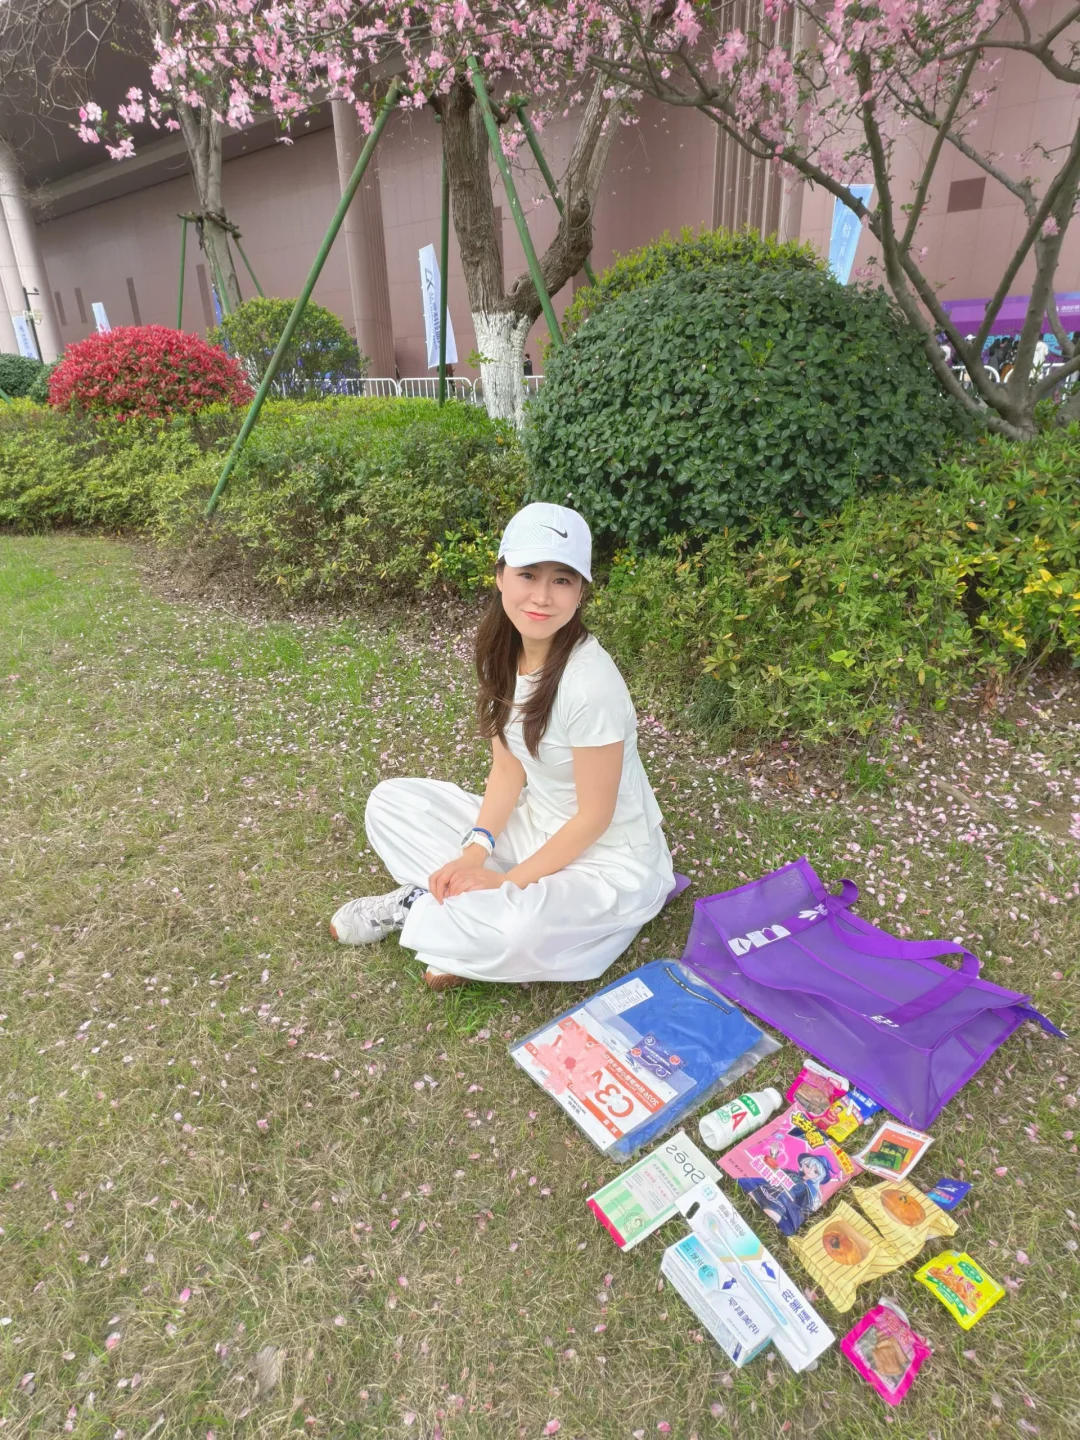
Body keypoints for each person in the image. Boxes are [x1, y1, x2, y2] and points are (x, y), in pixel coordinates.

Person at [329, 502, 675, 989]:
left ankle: (423, 905)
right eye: (528, 574)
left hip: (607, 859)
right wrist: (476, 851)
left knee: (518, 931)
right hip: (535, 827)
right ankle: (468, 913)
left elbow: (595, 818)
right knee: (389, 803)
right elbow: (508, 771)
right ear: (500, 576)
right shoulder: (503, 654)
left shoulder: (590, 683)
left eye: (562, 580)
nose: (542, 596)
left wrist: (508, 881)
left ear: (580, 592)